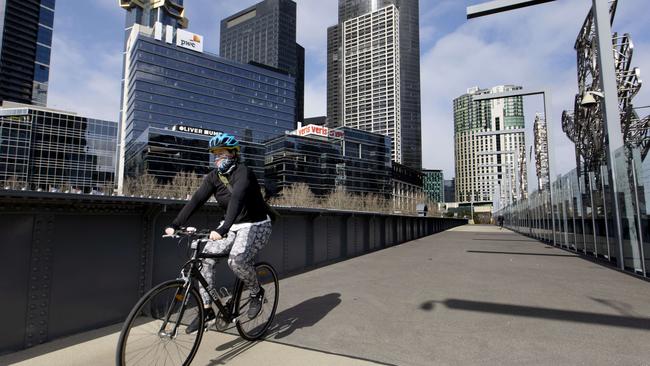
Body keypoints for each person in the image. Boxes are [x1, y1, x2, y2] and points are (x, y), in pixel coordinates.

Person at [164, 132, 272, 333]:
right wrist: (176, 224)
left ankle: (256, 292)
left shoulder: (243, 173)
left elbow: (237, 200)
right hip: (232, 225)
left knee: (236, 260)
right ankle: (207, 310)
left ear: (233, 153)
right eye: (215, 154)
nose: (217, 157)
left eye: (221, 153)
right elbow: (196, 200)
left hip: (256, 224)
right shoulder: (213, 177)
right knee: (205, 261)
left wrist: (222, 229)